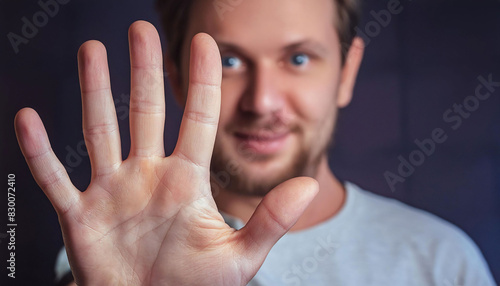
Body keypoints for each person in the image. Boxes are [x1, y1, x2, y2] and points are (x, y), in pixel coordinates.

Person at [14, 0, 495, 285]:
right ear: (179, 77)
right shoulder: (103, 256)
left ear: (346, 72)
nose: (262, 102)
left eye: (300, 59)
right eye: (228, 61)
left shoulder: (442, 262)